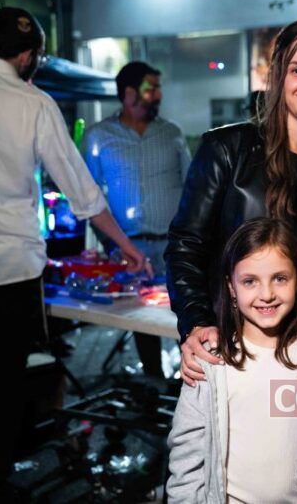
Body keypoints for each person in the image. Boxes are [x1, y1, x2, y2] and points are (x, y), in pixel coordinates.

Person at [0, 7, 148, 501]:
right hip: (10, 270)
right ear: (28, 56)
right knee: (5, 387)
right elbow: (83, 194)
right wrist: (127, 248)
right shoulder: (34, 104)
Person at [166, 20, 297, 386]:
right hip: (235, 352)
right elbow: (184, 247)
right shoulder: (228, 150)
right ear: (277, 76)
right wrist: (196, 323)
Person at [167, 218, 297, 503]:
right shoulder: (210, 362)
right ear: (231, 287)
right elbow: (186, 463)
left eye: (280, 278)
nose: (266, 294)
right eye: (250, 281)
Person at [83, 61, 191, 377]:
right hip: (129, 249)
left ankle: (191, 382)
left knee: (185, 315)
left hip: (174, 247)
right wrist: (111, 246)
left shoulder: (172, 133)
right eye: (151, 88)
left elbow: (192, 187)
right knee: (142, 321)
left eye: (158, 88)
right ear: (129, 93)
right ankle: (153, 380)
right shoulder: (99, 136)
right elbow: (90, 197)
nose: (158, 95)